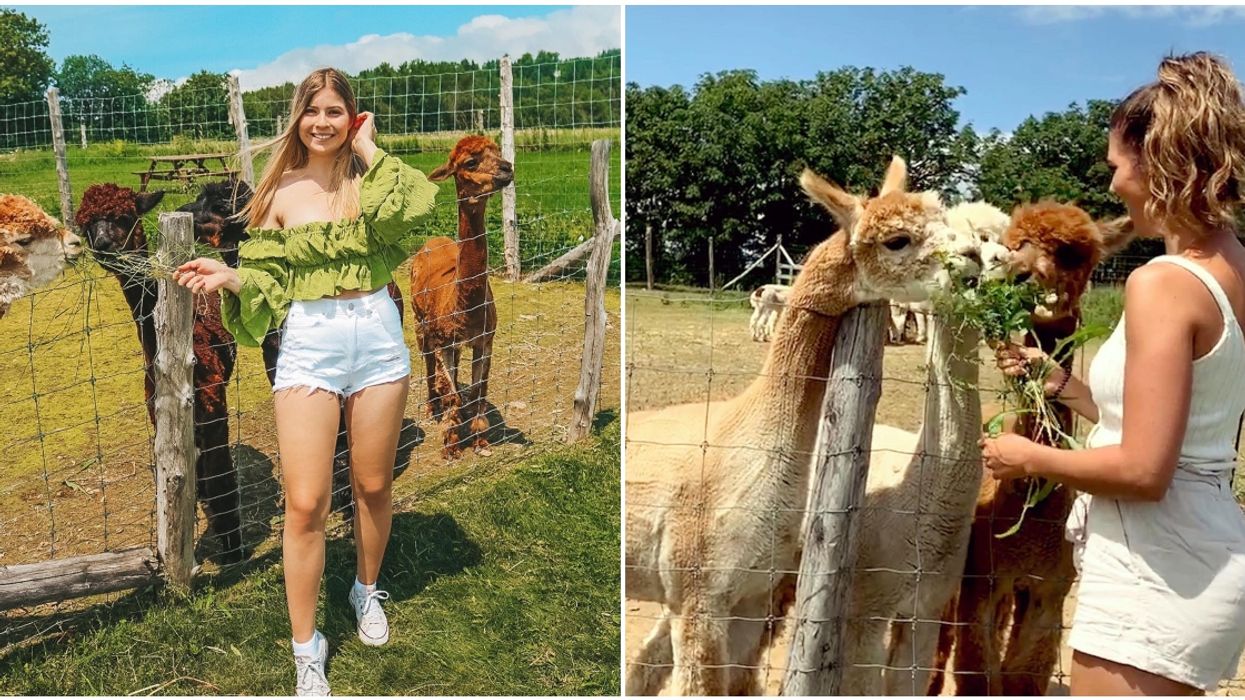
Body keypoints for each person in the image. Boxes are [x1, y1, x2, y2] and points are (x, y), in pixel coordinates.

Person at [981, 52, 1245, 695]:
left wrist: (1027, 457)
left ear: (1158, 162)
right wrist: (1064, 387)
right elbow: (1179, 426)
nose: (1112, 186)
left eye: (1116, 167)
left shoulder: (1161, 284)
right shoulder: (1234, 267)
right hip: (1205, 549)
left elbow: (1144, 472)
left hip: (1152, 569)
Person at [174, 67, 437, 696]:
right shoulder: (279, 193)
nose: (322, 122)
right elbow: (270, 281)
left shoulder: (371, 182)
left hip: (376, 334)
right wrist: (232, 278)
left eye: (336, 112)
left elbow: (422, 206)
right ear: (297, 118)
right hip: (312, 343)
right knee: (305, 502)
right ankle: (306, 648)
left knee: (373, 483)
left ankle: (366, 590)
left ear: (354, 118)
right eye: (312, 111)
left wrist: (371, 152)